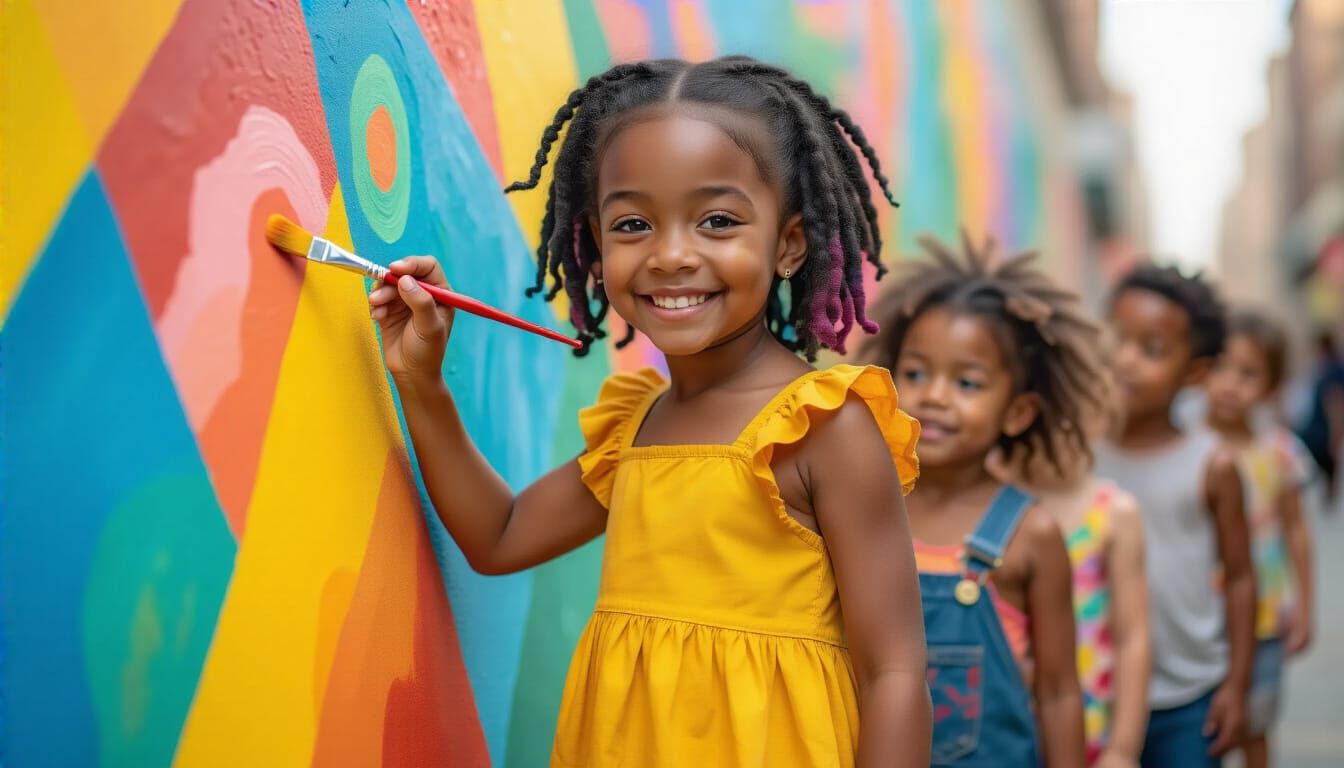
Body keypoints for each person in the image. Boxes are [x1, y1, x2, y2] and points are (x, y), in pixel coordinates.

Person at [368, 56, 931, 767]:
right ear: (595, 248)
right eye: (633, 224)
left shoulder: (824, 425)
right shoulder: (636, 427)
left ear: (788, 245)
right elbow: (501, 536)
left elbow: (896, 672)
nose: (670, 255)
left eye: (717, 221)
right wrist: (421, 380)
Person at [861, 234, 1086, 767]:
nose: (934, 395)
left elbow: (1058, 692)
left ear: (1017, 412)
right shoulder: (861, 510)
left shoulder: (1030, 536)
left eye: (967, 382)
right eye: (916, 373)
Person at [1094, 264, 1254, 768]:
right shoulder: (1073, 456)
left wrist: (1237, 685)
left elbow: (1242, 578)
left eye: (1152, 350)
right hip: (1095, 689)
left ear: (1195, 372)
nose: (1125, 360)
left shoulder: (1213, 465)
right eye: (1116, 339)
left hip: (1189, 696)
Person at [1205, 309, 1316, 768]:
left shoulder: (1280, 453)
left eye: (1248, 374)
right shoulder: (1189, 446)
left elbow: (1297, 531)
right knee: (1204, 724)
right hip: (1203, 614)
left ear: (1270, 387)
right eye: (1221, 367)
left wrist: (1306, 608)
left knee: (1255, 722)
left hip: (1266, 615)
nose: (1231, 383)